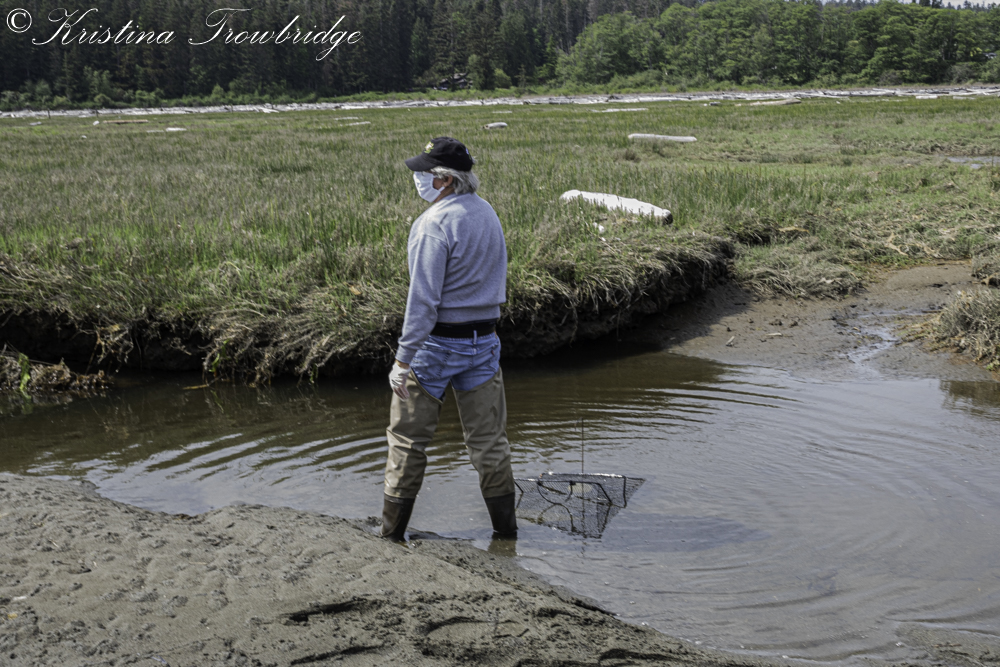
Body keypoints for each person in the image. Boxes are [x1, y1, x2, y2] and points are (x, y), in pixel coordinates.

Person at [381, 136, 517, 543]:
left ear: (443, 180)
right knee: (490, 443)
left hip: (437, 346)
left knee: (407, 440)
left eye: (424, 173)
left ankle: (390, 536)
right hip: (485, 342)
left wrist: (402, 361)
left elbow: (422, 302)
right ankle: (506, 536)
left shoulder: (432, 225)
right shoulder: (487, 212)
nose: (418, 179)